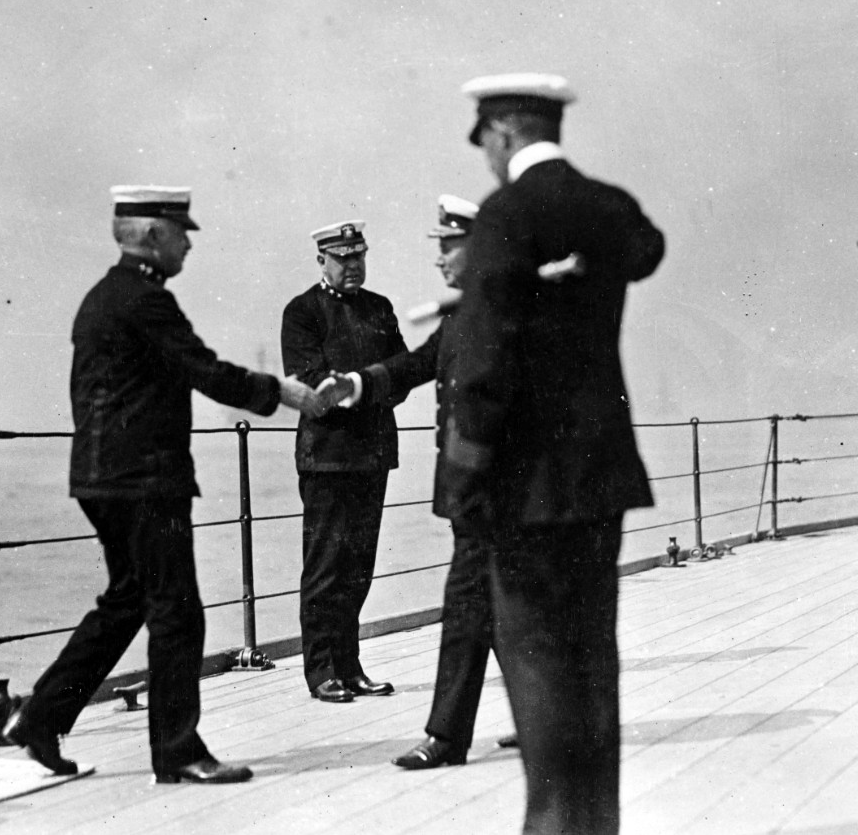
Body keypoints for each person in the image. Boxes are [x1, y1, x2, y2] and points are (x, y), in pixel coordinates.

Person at [5, 185, 336, 785]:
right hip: (144, 483)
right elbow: (202, 369)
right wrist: (280, 392)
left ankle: (42, 717)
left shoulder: (103, 297)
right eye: (181, 232)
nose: (187, 243)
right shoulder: (144, 300)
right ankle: (178, 751)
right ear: (153, 235)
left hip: (100, 479)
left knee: (128, 599)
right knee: (177, 611)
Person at [439, 74, 666, 833]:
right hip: (601, 473)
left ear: (502, 132)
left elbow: (482, 359)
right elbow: (647, 250)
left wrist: (464, 471)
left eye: (487, 144)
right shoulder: (607, 206)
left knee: (537, 669)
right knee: (593, 663)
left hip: (525, 481)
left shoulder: (506, 215)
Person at [329, 195, 516, 767]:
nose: (438, 259)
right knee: (502, 609)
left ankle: (447, 737)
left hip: (494, 493)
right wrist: (358, 384)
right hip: (475, 494)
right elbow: (416, 364)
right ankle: (541, 717)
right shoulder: (464, 312)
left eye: (446, 245)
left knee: (470, 608)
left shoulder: (504, 309)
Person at [281, 220, 409, 703]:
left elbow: (400, 371)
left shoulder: (379, 308)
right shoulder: (302, 313)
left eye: (359, 257)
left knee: (359, 565)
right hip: (328, 459)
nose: (353, 266)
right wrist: (367, 388)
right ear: (322, 260)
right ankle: (320, 672)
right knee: (325, 567)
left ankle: (350, 667)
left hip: (372, 454)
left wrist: (359, 388)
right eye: (343, 258)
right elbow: (311, 381)